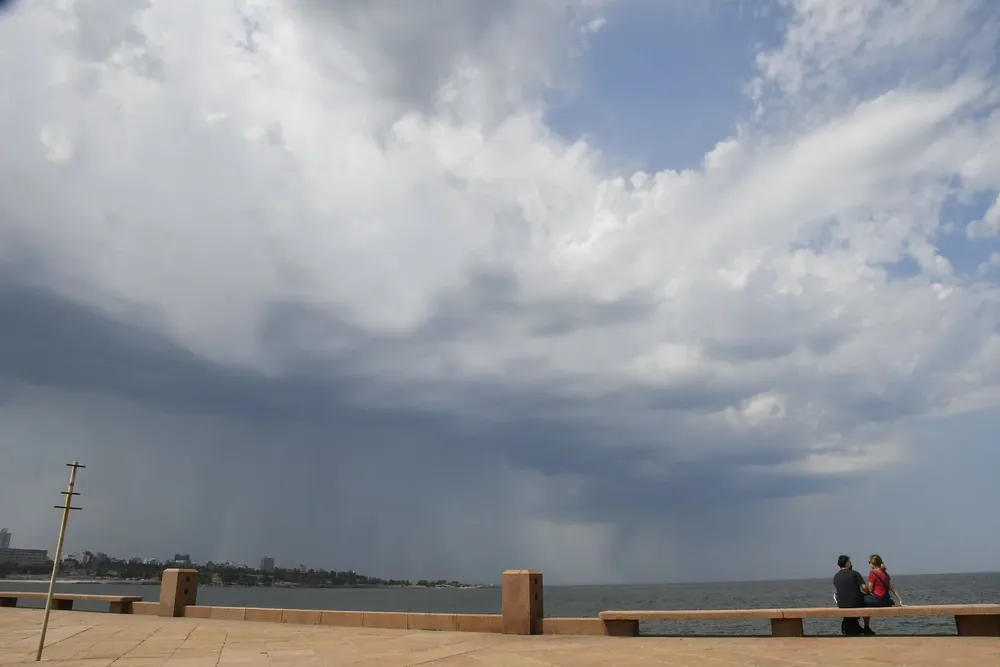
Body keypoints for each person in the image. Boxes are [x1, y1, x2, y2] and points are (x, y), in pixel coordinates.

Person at [860, 554, 904, 634]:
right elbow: (892, 588)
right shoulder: (885, 573)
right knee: (867, 603)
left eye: (869, 562)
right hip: (885, 601)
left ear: (872, 563)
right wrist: (900, 600)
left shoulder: (872, 573)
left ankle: (865, 627)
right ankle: (866, 628)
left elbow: (869, 589)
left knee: (861, 599)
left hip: (877, 600)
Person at [832, 555, 867, 636]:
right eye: (850, 561)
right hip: (854, 603)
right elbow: (864, 588)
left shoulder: (836, 576)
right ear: (847, 563)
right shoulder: (854, 573)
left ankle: (850, 627)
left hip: (841, 604)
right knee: (868, 600)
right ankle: (866, 626)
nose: (851, 563)